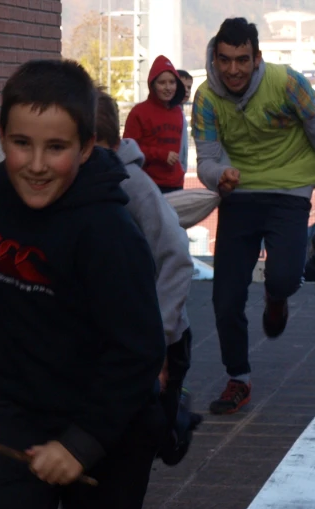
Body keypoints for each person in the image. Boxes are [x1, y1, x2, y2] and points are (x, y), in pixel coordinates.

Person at [0, 59, 183, 509]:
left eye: (57, 148)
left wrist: (82, 442)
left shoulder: (108, 232)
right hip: (14, 412)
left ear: (86, 147)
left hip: (108, 420)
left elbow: (139, 349)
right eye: (22, 143)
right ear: (2, 136)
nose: (37, 164)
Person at [192, 17, 315, 415]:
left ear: (257, 57)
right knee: (225, 296)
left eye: (241, 59)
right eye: (224, 60)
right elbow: (206, 159)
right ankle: (238, 379)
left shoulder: (286, 82)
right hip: (240, 191)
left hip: (289, 189)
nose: (232, 70)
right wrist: (218, 177)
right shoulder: (206, 97)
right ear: (215, 57)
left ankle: (276, 297)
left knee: (283, 277)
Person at [95, 89, 201, 466]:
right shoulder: (96, 182)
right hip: (130, 335)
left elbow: (176, 258)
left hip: (164, 334)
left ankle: (179, 421)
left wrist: (160, 341)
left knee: (161, 432)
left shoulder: (133, 186)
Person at [123, 55, 186, 194]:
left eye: (172, 82)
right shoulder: (139, 112)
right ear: (152, 85)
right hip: (148, 183)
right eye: (162, 83)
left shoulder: (178, 112)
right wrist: (161, 155)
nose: (168, 88)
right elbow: (129, 150)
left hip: (175, 183)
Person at [177, 69, 194, 174]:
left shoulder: (181, 113)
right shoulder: (171, 114)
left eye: (189, 87)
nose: (186, 90)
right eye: (183, 87)